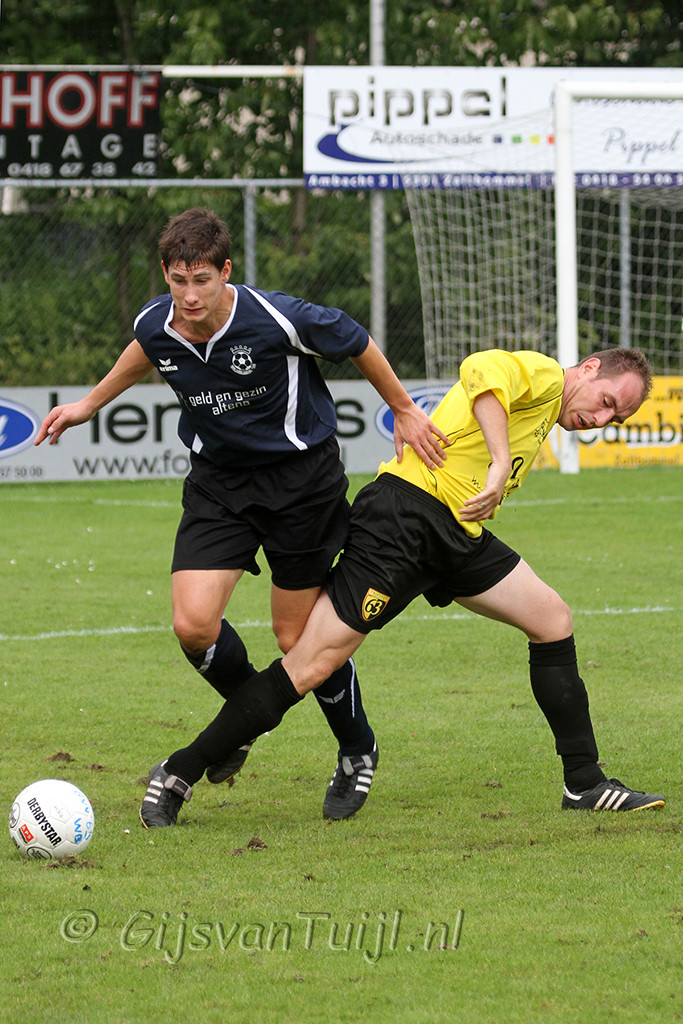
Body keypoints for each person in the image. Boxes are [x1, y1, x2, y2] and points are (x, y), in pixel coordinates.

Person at [34, 206, 449, 824]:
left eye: (202, 280)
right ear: (166, 275)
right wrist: (89, 404)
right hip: (219, 486)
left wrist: (405, 408)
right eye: (179, 280)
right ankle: (246, 715)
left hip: (301, 485)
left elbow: (355, 338)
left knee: (297, 640)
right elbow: (145, 350)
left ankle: (357, 748)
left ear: (226, 271)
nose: (190, 295)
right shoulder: (158, 323)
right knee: (193, 626)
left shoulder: (277, 317)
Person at [140, 346, 666, 827]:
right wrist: (501, 460)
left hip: (457, 533)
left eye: (614, 419)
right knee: (308, 662)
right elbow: (482, 369)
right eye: (605, 403)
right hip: (405, 522)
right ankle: (181, 770)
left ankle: (584, 783)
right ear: (590, 369)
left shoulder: (549, 406)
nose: (600, 420)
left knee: (552, 619)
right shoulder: (548, 375)